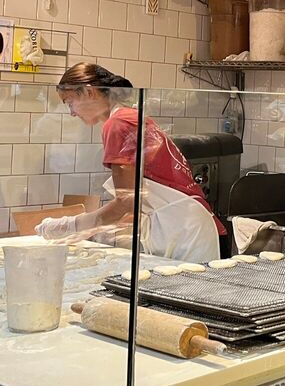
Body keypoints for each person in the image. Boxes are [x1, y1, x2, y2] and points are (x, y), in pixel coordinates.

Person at [35, 63, 222, 262]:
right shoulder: (130, 116)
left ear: (89, 92)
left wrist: (71, 226)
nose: (71, 112)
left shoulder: (117, 124)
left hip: (182, 230)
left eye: (69, 102)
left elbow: (127, 201)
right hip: (185, 223)